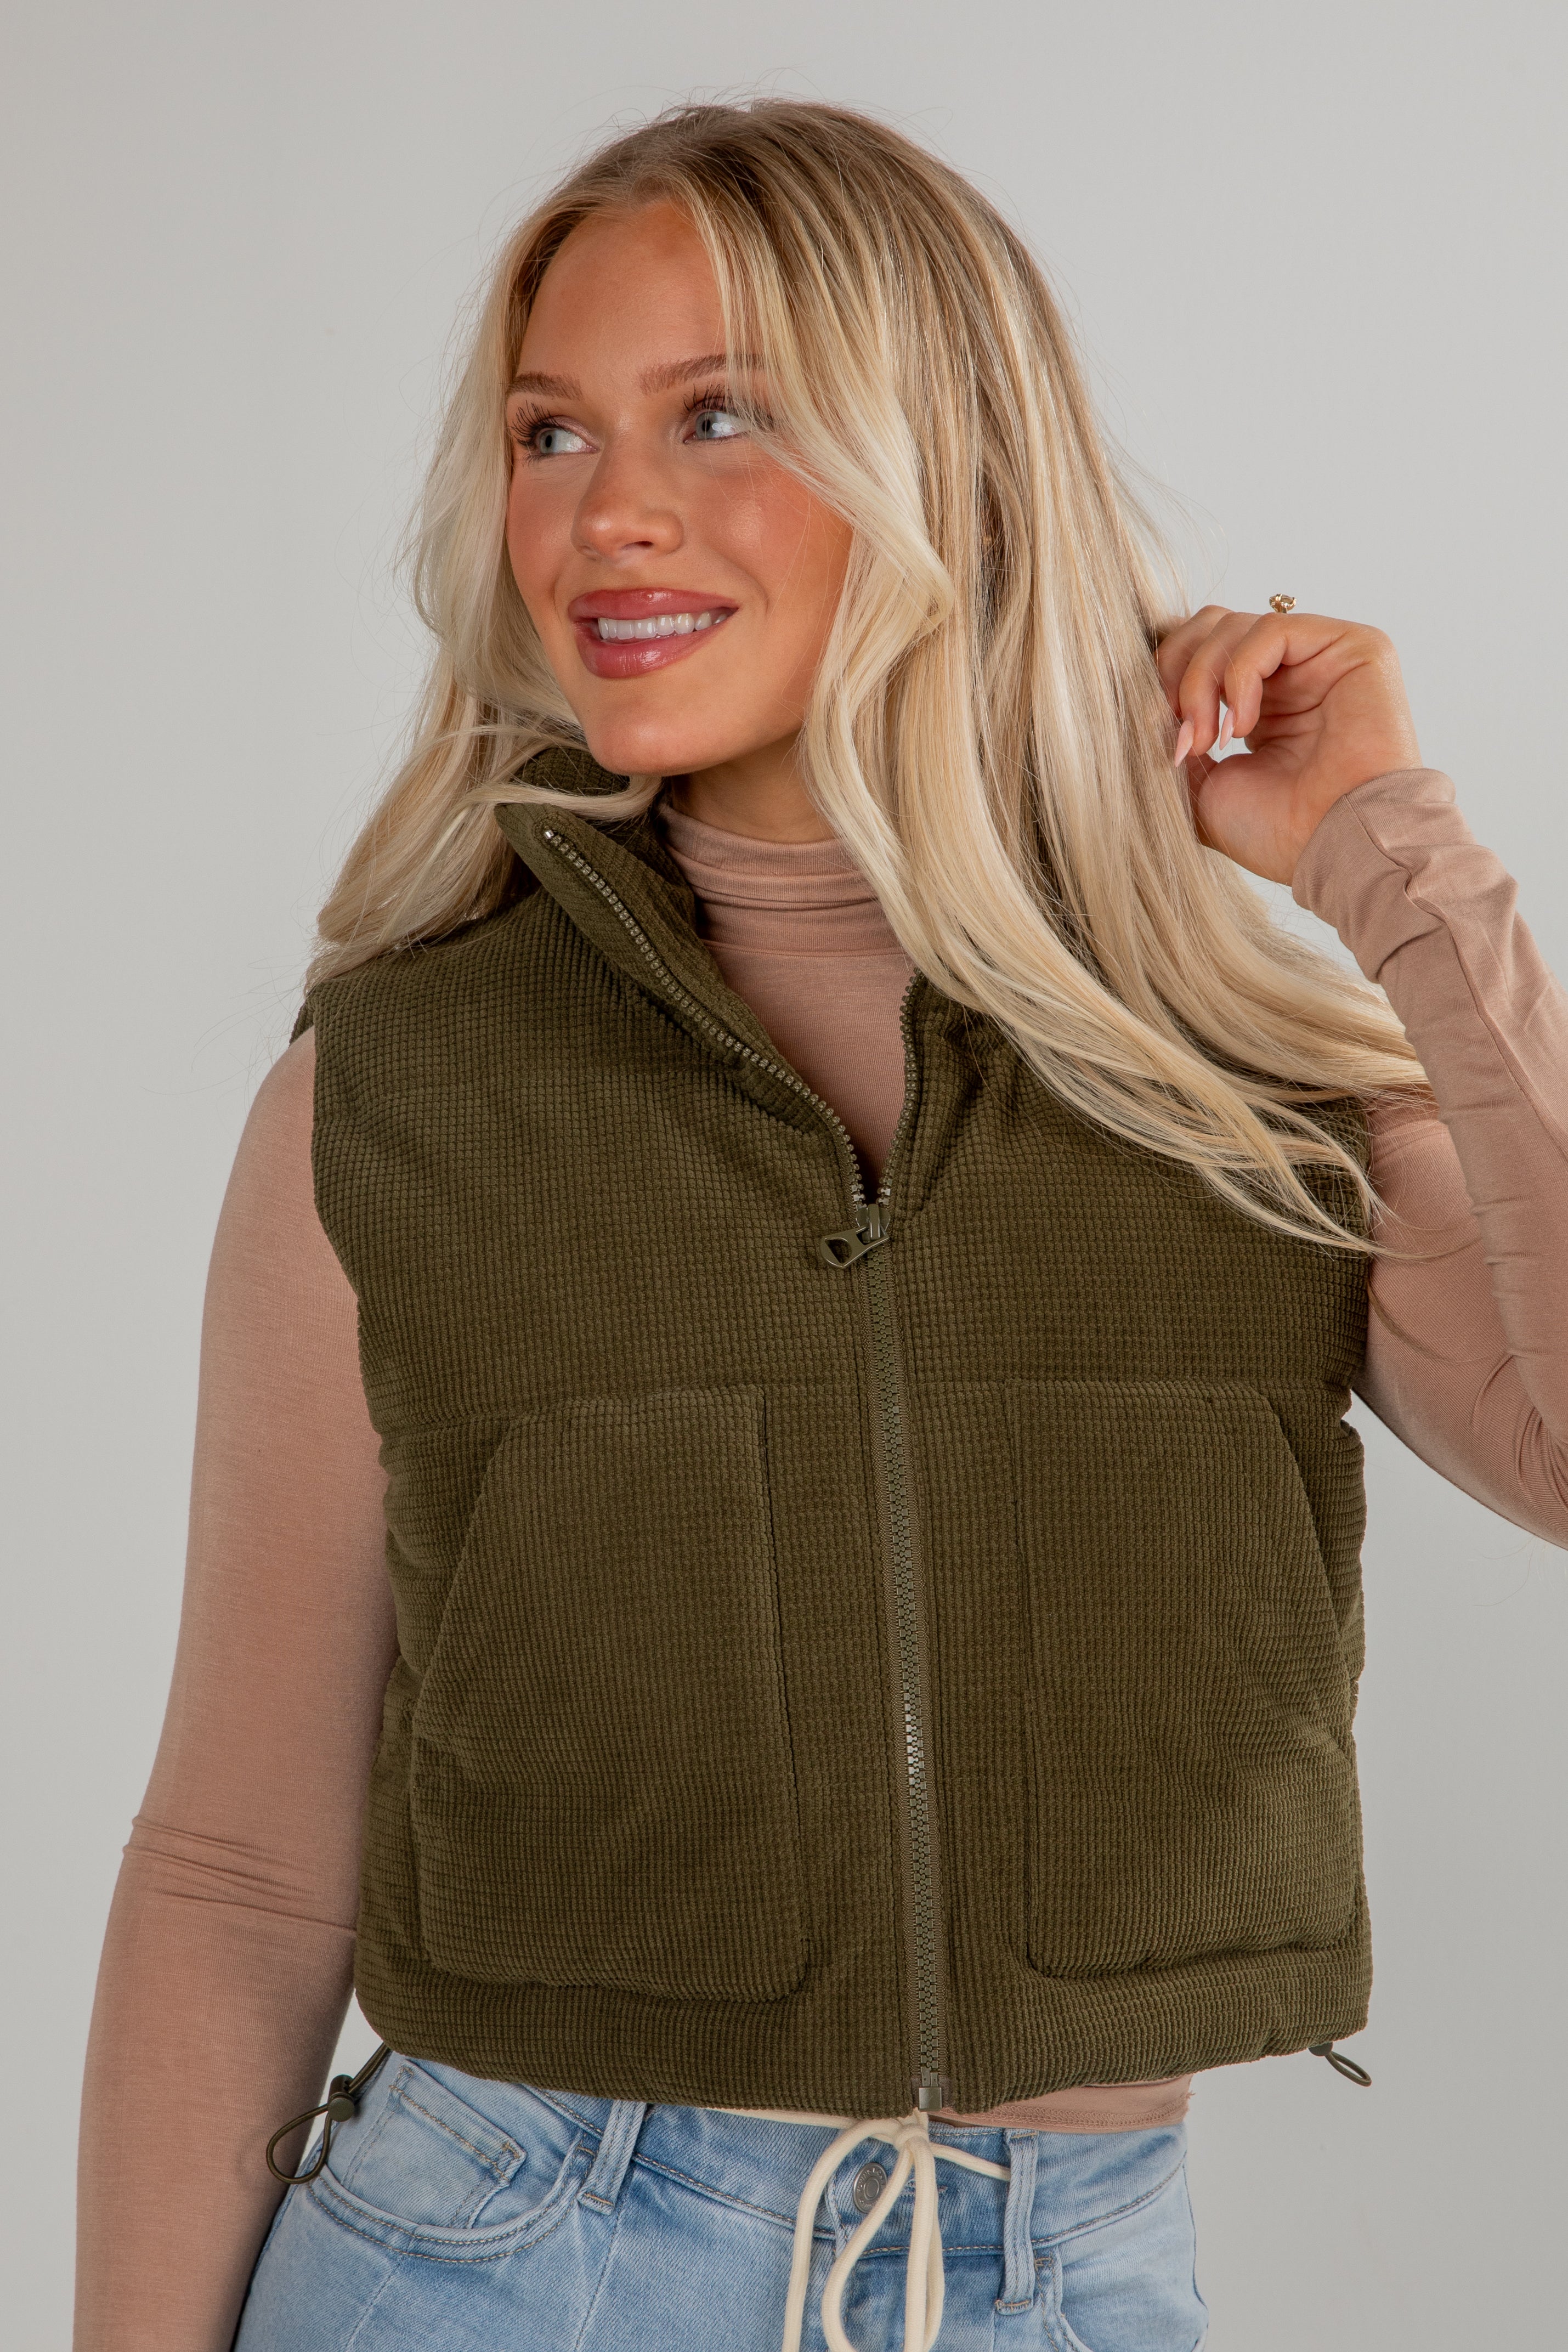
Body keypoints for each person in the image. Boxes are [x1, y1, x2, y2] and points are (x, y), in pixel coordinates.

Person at [73, 99, 1568, 2352]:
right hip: (503, 2259)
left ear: (947, 468)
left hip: (1065, 2283)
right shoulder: (393, 1095)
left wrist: (1388, 857)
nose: (606, 511)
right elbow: (240, 1867)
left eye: (722, 413)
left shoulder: (1239, 1103)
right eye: (550, 429)